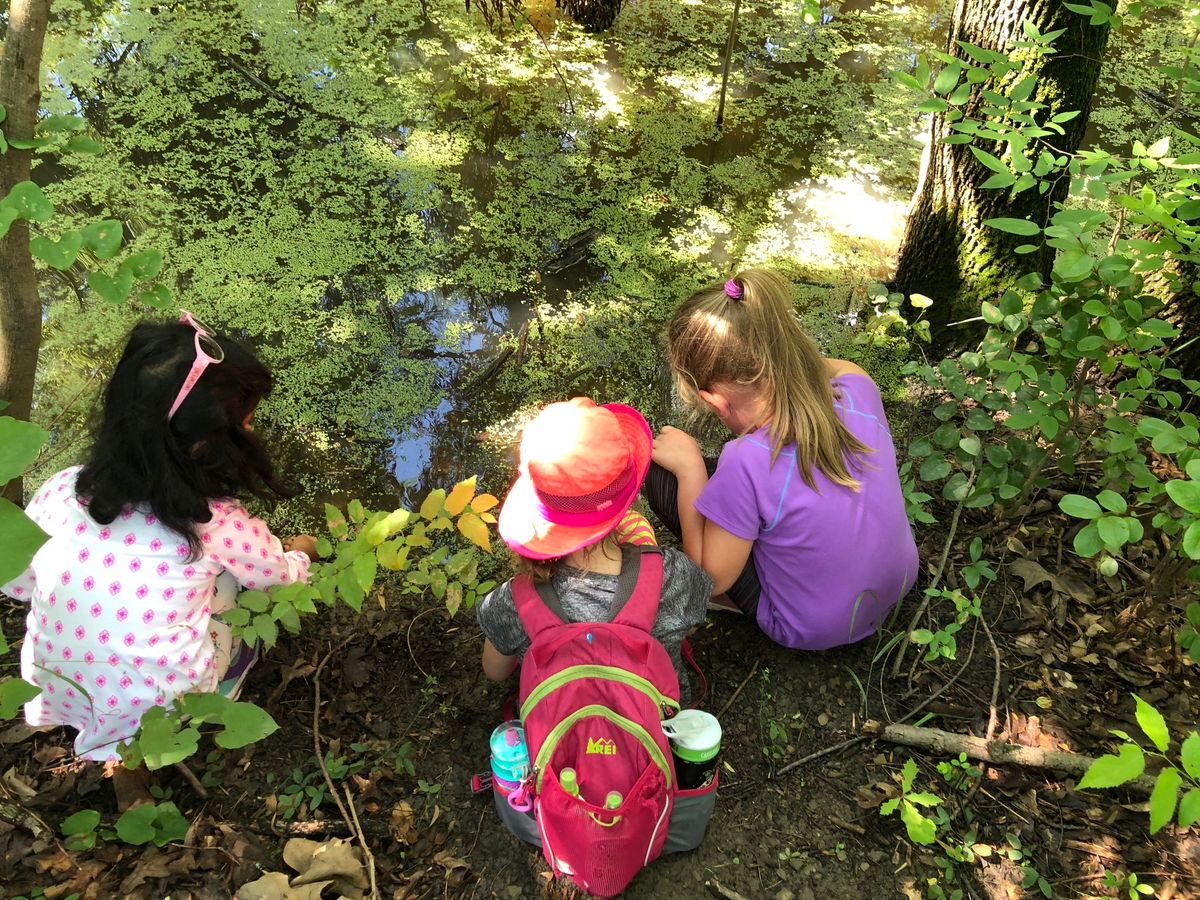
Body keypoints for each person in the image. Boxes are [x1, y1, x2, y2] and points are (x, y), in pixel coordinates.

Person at [1, 312, 316, 801]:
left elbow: (17, 585)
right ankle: (202, 707)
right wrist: (301, 554)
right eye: (246, 419)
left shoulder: (61, 489)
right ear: (207, 440)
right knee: (239, 588)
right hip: (166, 703)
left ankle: (119, 756)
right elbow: (281, 581)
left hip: (60, 682)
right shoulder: (213, 521)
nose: (253, 429)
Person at [648, 268, 918, 651]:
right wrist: (778, 353)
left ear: (714, 401)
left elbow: (710, 578)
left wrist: (690, 468)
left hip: (815, 627)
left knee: (664, 477)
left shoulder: (745, 461)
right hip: (897, 583)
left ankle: (746, 604)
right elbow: (827, 366)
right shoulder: (857, 386)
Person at [476, 398, 710, 704]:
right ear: (626, 501)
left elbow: (495, 671)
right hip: (655, 731)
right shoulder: (671, 574)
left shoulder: (514, 602)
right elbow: (690, 627)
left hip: (561, 739)